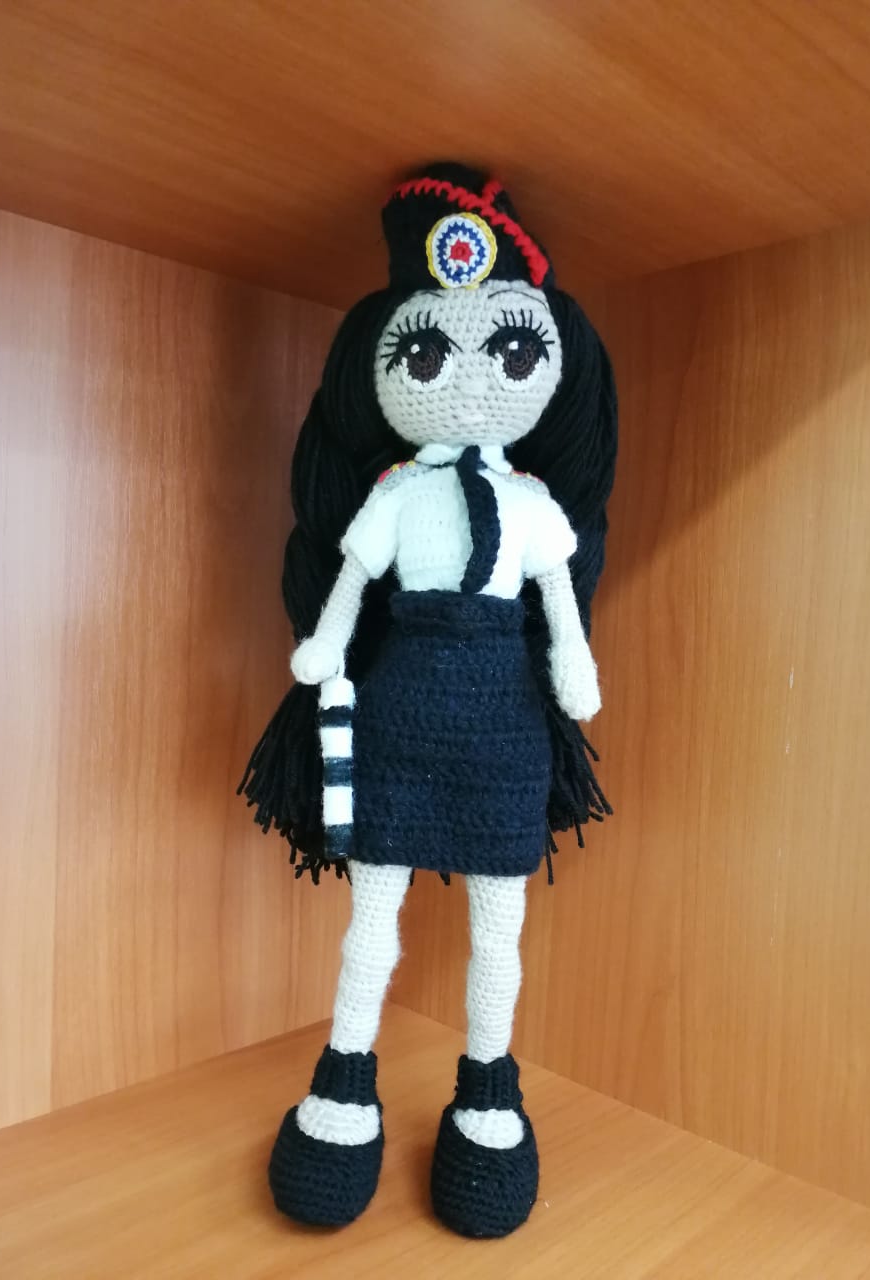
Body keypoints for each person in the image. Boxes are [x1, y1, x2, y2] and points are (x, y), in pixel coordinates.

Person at [241, 163, 618, 1237]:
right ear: (381, 365)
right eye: (425, 354)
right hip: (401, 720)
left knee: (501, 933)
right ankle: (343, 1082)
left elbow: (559, 601)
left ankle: (489, 1094)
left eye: (510, 353)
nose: (470, 378)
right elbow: (353, 578)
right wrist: (324, 645)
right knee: (372, 921)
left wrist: (575, 670)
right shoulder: (397, 495)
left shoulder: (534, 505)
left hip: (503, 735)